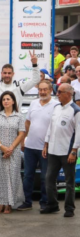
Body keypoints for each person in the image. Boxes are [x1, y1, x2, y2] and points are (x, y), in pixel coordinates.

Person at [18, 80, 58, 211]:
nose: (42, 92)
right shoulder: (34, 103)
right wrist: (23, 140)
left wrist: (49, 144)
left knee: (45, 177)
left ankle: (45, 203)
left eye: (45, 89)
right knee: (28, 176)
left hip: (46, 148)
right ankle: (27, 202)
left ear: (50, 90)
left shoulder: (56, 105)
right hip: (30, 147)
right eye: (40, 89)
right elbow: (27, 123)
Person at [41, 83, 80, 217]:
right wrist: (46, 144)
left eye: (60, 92)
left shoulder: (76, 110)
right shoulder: (56, 107)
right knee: (49, 179)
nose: (57, 94)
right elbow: (50, 127)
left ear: (69, 94)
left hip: (67, 152)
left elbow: (79, 133)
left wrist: (74, 151)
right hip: (53, 150)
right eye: (57, 92)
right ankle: (52, 205)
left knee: (69, 182)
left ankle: (69, 208)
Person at [0, 91, 25, 214]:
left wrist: (11, 148)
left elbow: (22, 133)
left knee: (12, 176)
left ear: (13, 101)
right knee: (0, 176)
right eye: (3, 100)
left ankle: (9, 204)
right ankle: (1, 203)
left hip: (14, 151)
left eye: (8, 99)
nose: (6, 101)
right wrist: (2, 147)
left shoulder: (19, 116)